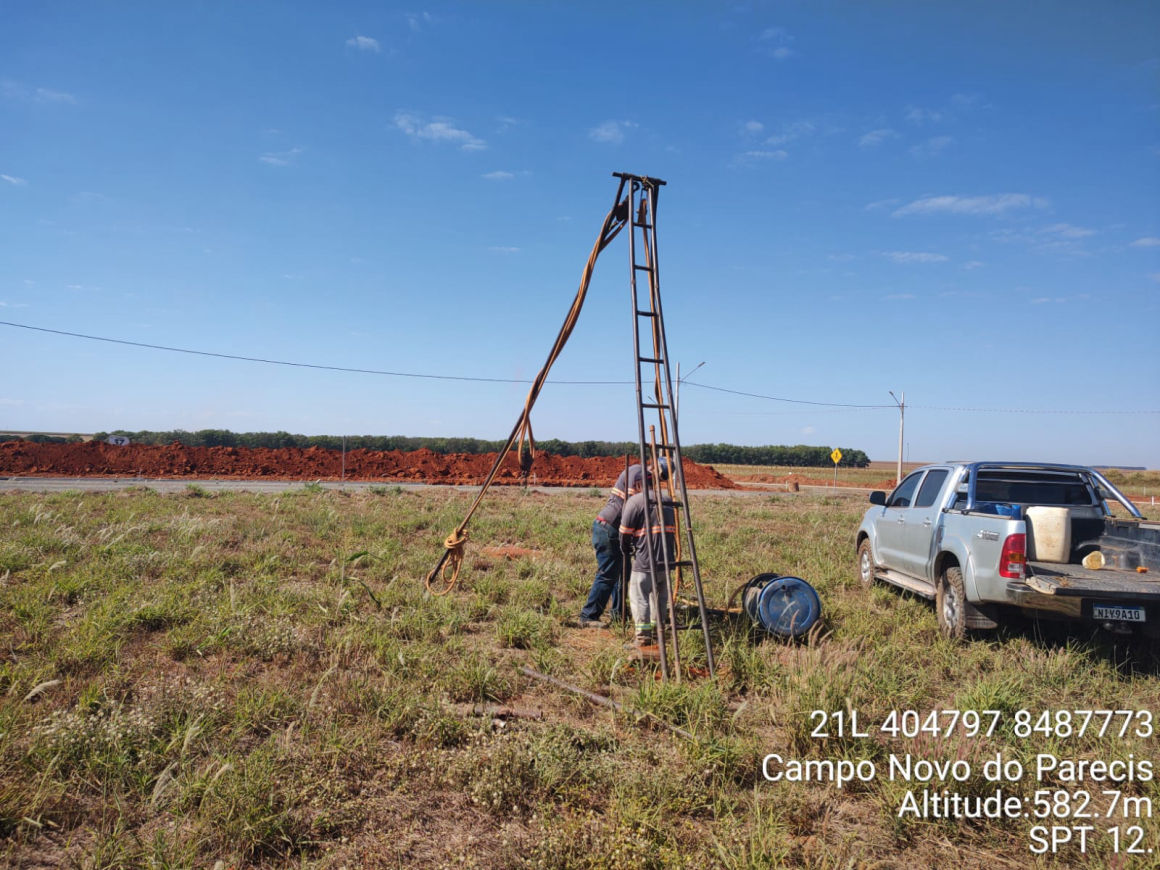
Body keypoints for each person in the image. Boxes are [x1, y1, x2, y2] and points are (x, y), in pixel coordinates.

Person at [578, 458, 668, 627]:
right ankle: (588, 616)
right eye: (660, 476)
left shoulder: (641, 473)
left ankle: (619, 614)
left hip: (612, 528)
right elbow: (634, 508)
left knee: (622, 574)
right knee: (608, 574)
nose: (657, 482)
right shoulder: (640, 474)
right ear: (655, 467)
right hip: (610, 528)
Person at [618, 483, 677, 650]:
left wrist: (626, 550)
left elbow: (624, 533)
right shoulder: (667, 500)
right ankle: (658, 630)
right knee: (660, 597)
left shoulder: (636, 501)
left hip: (645, 560)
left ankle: (643, 637)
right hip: (665, 561)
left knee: (639, 597)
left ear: (638, 485)